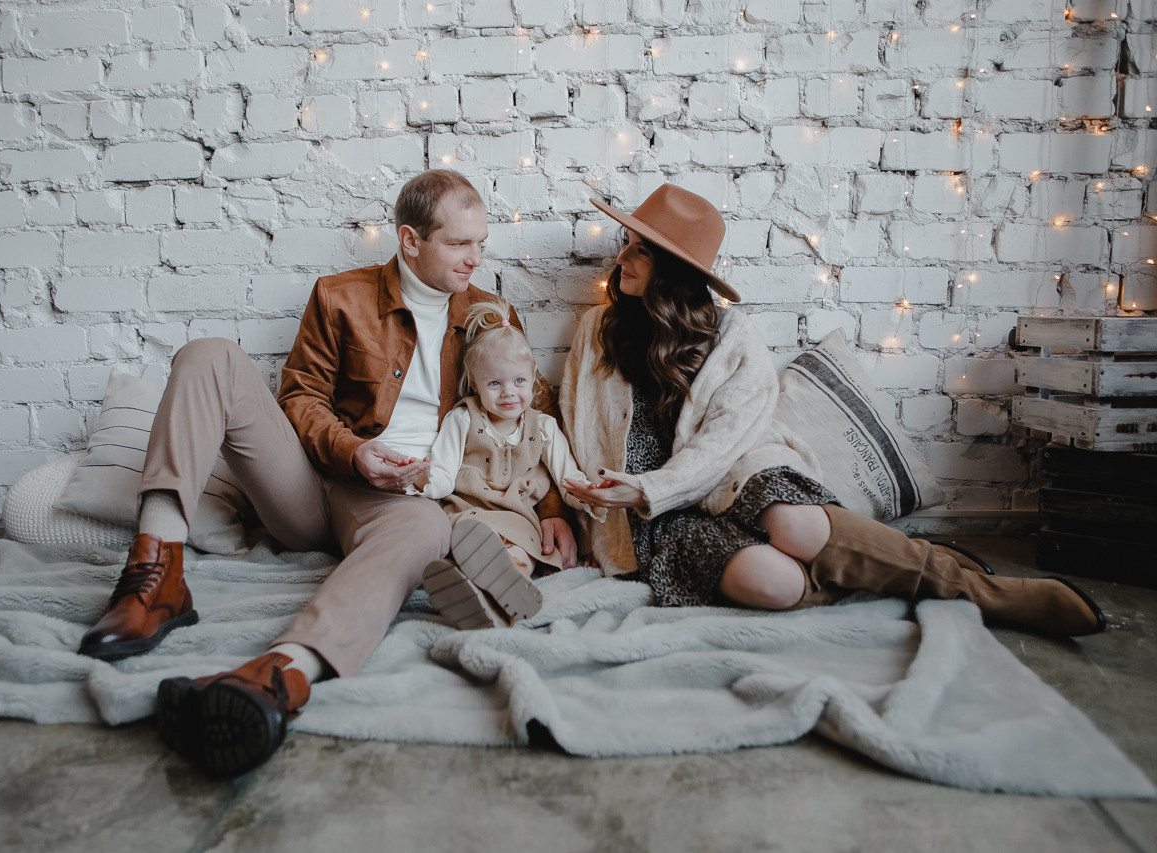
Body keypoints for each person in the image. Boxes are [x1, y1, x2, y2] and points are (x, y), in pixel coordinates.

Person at [76, 170, 578, 778]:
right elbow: (300, 397)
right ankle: (156, 576)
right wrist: (351, 450)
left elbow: (529, 413)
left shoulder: (491, 313)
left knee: (427, 530)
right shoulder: (339, 296)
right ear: (409, 240)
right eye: (459, 244)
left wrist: (551, 509)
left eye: (481, 242)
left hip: (403, 504)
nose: (476, 258)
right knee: (208, 355)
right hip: (312, 485)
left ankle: (278, 677)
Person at [560, 183, 1105, 637]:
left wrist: (653, 486)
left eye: (640, 250)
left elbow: (727, 441)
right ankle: (887, 565)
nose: (622, 259)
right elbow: (578, 424)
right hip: (655, 519)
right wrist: (603, 508)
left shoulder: (732, 337)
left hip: (733, 473)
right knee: (772, 585)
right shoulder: (595, 333)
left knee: (794, 526)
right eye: (627, 243)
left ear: (674, 269)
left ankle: (980, 592)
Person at [410, 300, 604, 629]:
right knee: (471, 540)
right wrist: (422, 480)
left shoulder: (543, 427)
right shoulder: (462, 419)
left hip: (519, 517)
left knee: (520, 550)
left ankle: (497, 594)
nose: (508, 393)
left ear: (532, 379)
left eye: (518, 381)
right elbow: (443, 472)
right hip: (470, 512)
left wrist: (587, 493)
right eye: (494, 384)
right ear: (474, 384)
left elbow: (567, 477)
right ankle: (481, 593)